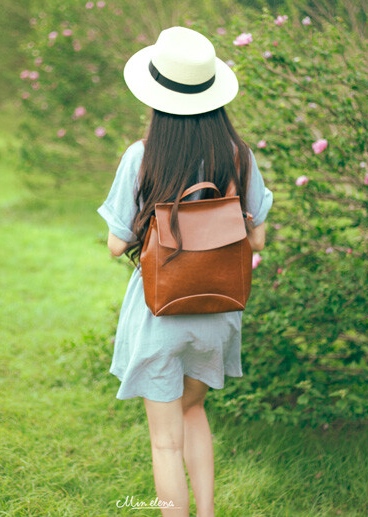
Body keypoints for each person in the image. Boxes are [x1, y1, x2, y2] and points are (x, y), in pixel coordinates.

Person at [97, 26, 273, 516]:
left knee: (165, 443)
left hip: (161, 311)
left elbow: (116, 245)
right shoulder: (237, 156)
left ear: (155, 96)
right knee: (195, 410)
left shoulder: (142, 156)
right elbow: (256, 237)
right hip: (218, 312)